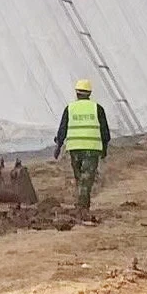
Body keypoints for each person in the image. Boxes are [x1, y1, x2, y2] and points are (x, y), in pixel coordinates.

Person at [53, 78, 110, 217]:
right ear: (89, 93)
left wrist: (58, 146)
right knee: (87, 178)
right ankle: (83, 206)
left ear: (77, 93)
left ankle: (82, 205)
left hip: (75, 149)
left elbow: (63, 129)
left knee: (80, 177)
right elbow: (105, 132)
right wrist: (104, 148)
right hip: (91, 149)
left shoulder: (70, 108)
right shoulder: (97, 108)